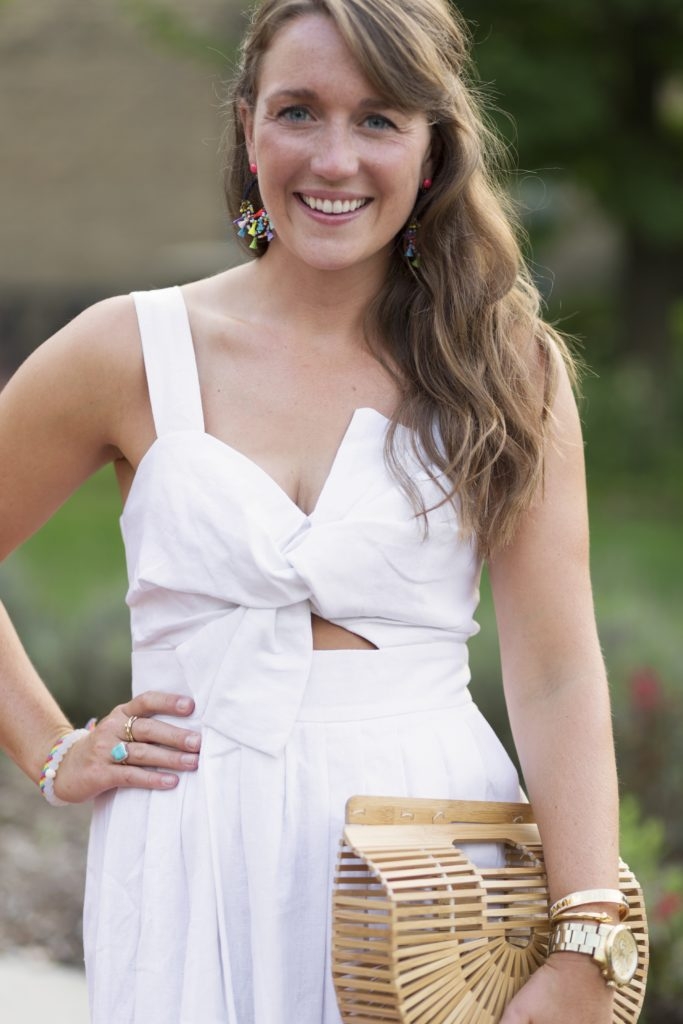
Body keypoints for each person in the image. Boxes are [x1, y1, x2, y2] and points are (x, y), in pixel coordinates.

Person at [0, 0, 627, 1022]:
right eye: (299, 112)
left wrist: (586, 938)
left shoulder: (506, 367)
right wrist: (51, 748)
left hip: (432, 865)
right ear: (247, 129)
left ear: (430, 152)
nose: (333, 159)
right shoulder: (126, 350)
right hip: (189, 849)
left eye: (378, 119)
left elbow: (556, 670)